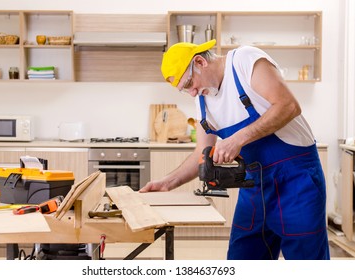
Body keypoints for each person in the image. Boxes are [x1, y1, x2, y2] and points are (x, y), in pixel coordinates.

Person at [139, 39, 330, 260]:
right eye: (185, 90)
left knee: (307, 262)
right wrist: (167, 183)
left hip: (296, 181)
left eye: (189, 83)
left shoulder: (244, 61)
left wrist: (237, 139)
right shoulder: (203, 101)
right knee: (241, 260)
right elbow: (202, 152)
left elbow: (288, 105)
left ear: (200, 62)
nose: (192, 93)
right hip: (254, 187)